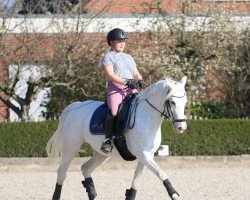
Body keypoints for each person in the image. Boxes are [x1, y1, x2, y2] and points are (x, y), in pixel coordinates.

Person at [100, 28, 144, 154]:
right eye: (119, 41)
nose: (122, 43)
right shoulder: (108, 57)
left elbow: (135, 72)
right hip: (115, 88)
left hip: (131, 88)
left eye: (123, 41)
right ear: (111, 42)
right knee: (114, 111)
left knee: (142, 105)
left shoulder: (129, 57)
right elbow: (110, 75)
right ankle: (107, 140)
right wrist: (126, 81)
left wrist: (140, 80)